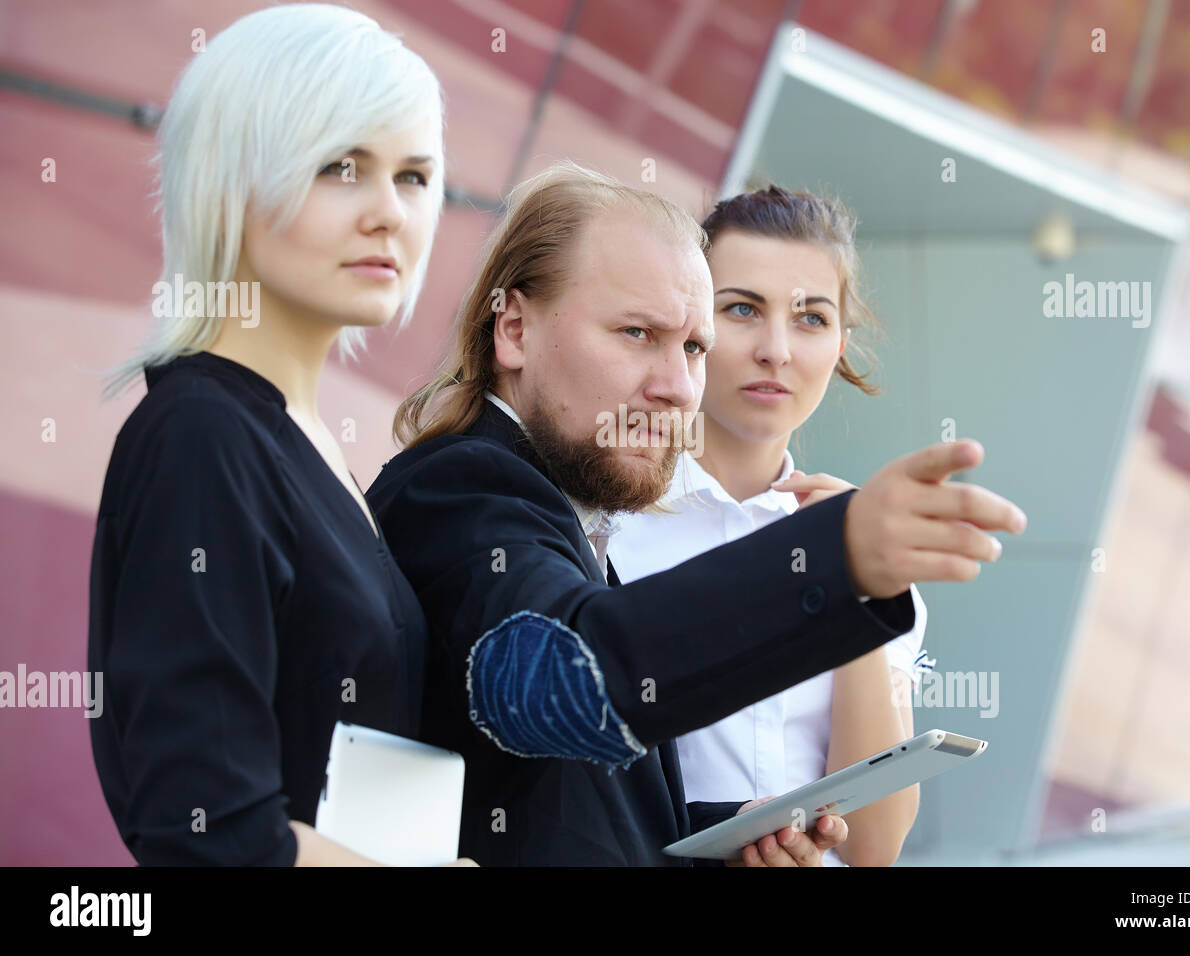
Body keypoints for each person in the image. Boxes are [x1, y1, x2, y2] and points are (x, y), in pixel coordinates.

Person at [367, 161, 1026, 866]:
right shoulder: (463, 488)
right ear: (516, 332)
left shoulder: (570, 522)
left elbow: (568, 802)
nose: (679, 387)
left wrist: (725, 838)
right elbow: (561, 685)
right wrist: (834, 559)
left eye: (691, 347)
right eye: (636, 333)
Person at [87, 4, 468, 866]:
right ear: (233, 179)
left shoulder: (301, 441)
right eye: (342, 167)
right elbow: (206, 830)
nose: (389, 214)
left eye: (414, 176)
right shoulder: (201, 439)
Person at [609, 185, 934, 867]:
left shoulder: (864, 550)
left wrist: (851, 580)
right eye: (742, 311)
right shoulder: (606, 523)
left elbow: (875, 843)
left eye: (811, 319)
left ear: (842, 343)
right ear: (694, 322)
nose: (776, 350)